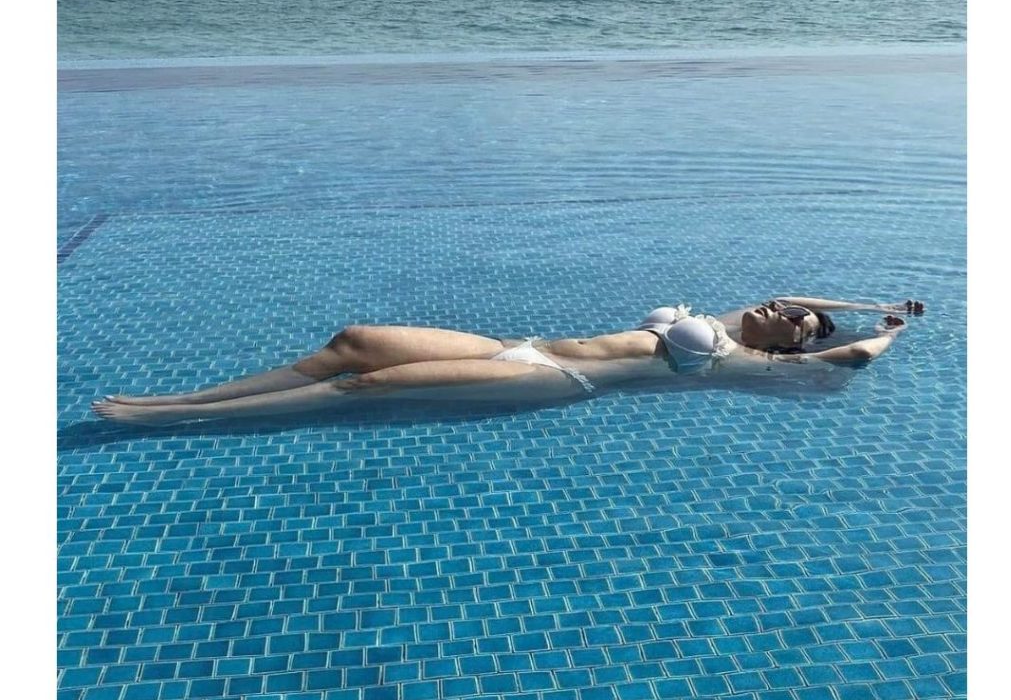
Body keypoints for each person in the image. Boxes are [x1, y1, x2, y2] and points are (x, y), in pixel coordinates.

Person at [91, 296, 924, 426]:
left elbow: (850, 358)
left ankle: (177, 419)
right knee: (356, 339)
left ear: (791, 344)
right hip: (515, 346)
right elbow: (796, 295)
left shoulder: (743, 361)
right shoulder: (725, 318)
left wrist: (888, 331)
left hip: (550, 379)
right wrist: (861, 301)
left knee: (365, 384)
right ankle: (185, 397)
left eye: (793, 321)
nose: (781, 309)